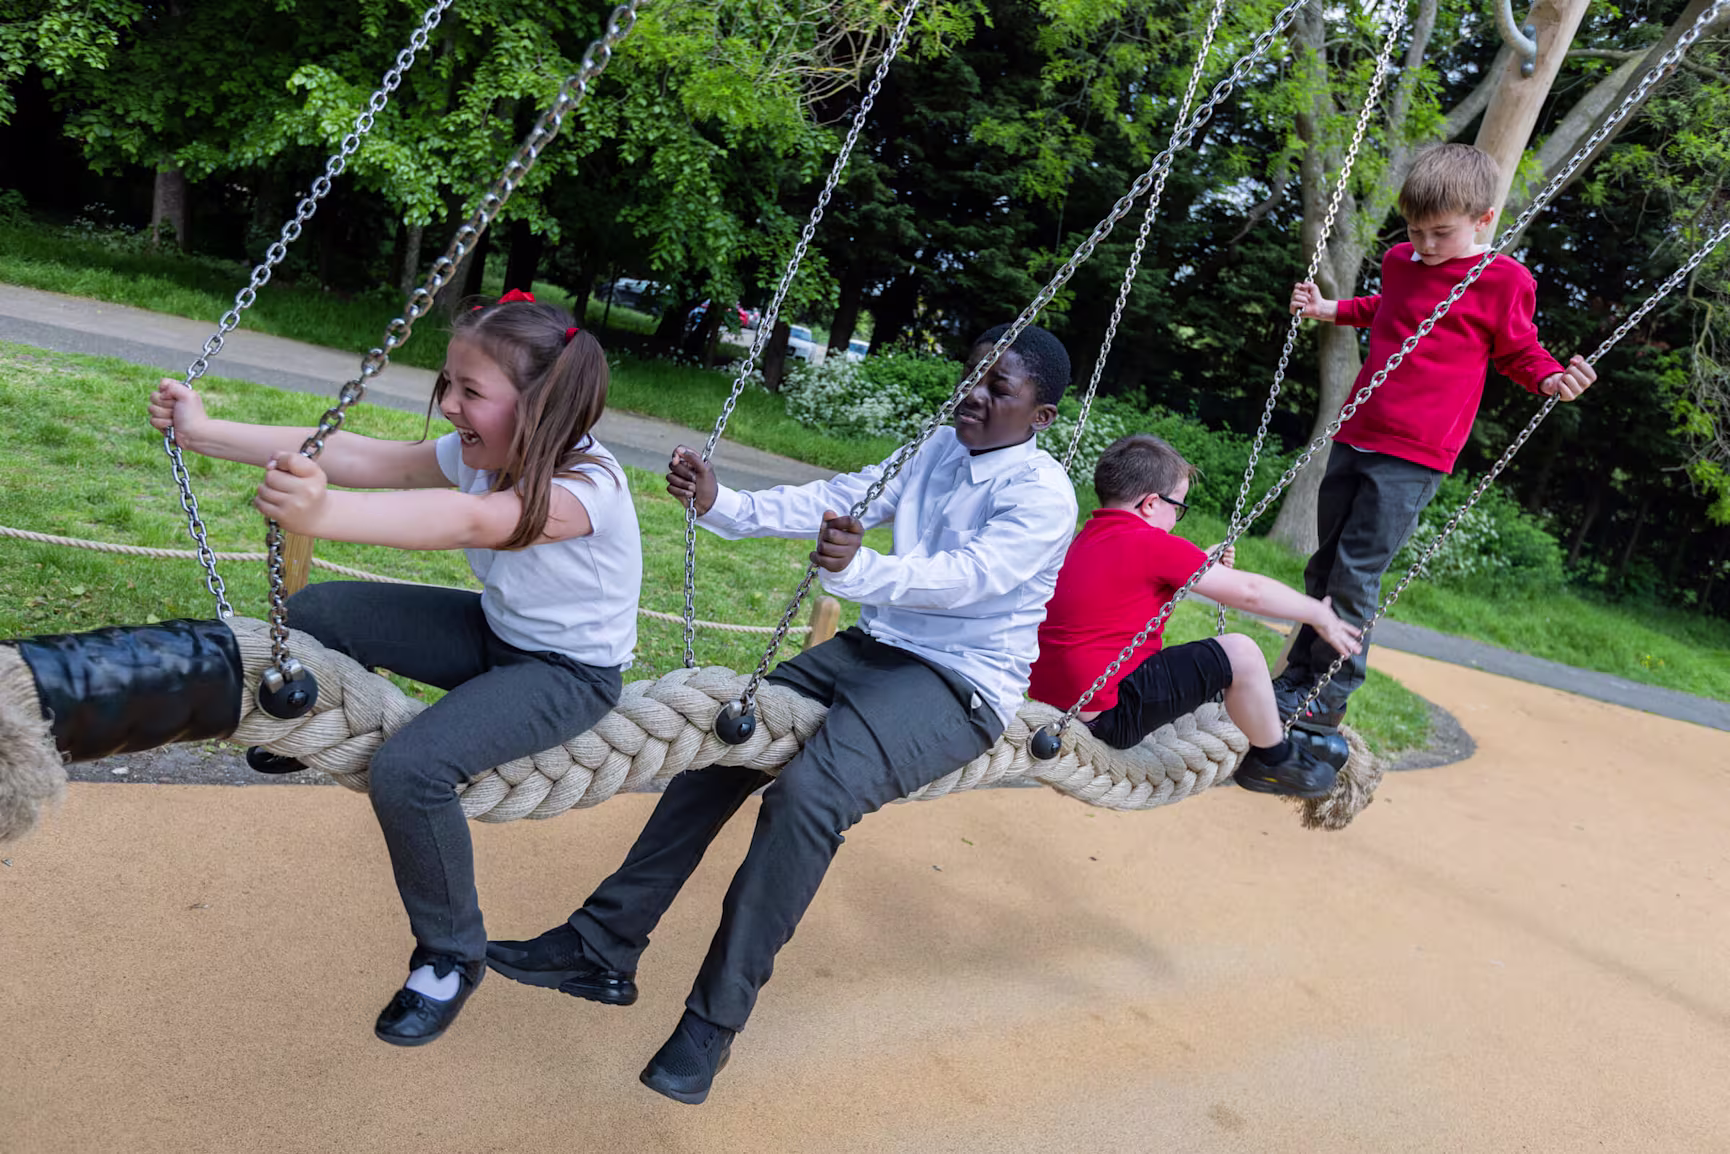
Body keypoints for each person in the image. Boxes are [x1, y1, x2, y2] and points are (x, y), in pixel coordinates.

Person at [486, 324, 1079, 1105]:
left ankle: (710, 1026)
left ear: (1038, 417)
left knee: (806, 799)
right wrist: (722, 502)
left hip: (958, 685)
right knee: (717, 753)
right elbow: (846, 495)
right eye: (973, 375)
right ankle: (601, 946)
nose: (974, 393)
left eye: (998, 388)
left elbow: (970, 578)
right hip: (873, 650)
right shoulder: (940, 448)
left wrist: (861, 567)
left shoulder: (1042, 493)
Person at [145, 290, 641, 1046]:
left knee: (410, 771)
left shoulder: (587, 489)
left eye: (470, 391)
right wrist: (206, 433)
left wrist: (324, 517)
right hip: (494, 634)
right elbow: (361, 454)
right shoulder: (484, 452)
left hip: (568, 676)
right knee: (321, 614)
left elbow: (469, 522)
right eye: (447, 383)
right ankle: (306, 733)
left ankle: (450, 955)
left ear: (541, 405)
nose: (448, 405)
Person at [1282, 142, 1597, 732]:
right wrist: (1331, 309)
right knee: (1322, 566)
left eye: (1441, 233)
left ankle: (1328, 694)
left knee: (1355, 573)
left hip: (1415, 453)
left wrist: (1552, 377)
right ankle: (1298, 674)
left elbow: (1518, 349)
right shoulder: (1402, 262)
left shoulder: (1503, 279)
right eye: (1415, 230)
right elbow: (1387, 308)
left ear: (1483, 221)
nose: (1425, 245)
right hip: (1359, 430)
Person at [1029, 434, 1362, 798]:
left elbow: (1132, 597)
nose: (1177, 518)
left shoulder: (1086, 539)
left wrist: (1202, 563)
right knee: (1242, 653)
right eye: (1179, 506)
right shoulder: (1153, 544)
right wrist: (1317, 612)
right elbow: (1250, 592)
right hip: (1109, 716)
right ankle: (1273, 757)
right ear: (1151, 503)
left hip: (1059, 703)